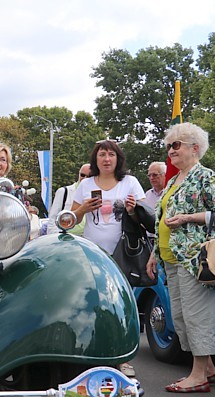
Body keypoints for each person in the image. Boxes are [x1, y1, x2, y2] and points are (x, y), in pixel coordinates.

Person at [145, 123, 215, 393]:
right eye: (169, 146)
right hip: (172, 257)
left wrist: (189, 218)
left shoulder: (206, 176)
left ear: (195, 148)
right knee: (179, 316)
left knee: (196, 316)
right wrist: (155, 254)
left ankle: (198, 376)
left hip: (195, 258)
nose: (171, 150)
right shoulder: (173, 179)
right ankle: (210, 369)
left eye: (176, 145)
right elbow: (161, 220)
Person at [71, 140, 146, 378]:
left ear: (118, 159)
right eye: (102, 154)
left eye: (111, 154)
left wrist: (134, 210)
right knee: (94, 303)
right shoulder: (86, 184)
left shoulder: (130, 182)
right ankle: (95, 356)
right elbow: (68, 220)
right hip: (92, 252)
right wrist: (83, 208)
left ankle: (123, 359)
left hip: (122, 252)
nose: (106, 159)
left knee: (121, 304)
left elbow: (146, 218)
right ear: (95, 159)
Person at [46, 164, 90, 236]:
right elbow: (52, 218)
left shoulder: (97, 194)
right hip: (67, 239)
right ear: (78, 174)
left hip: (88, 239)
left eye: (89, 176)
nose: (85, 178)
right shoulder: (64, 191)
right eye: (82, 175)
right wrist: (57, 238)